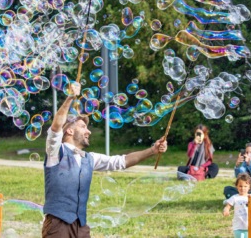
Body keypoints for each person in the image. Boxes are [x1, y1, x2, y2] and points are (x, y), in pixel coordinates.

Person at [42, 82, 168, 238]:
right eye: (83, 127)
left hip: (81, 225)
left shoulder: (90, 158)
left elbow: (121, 161)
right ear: (69, 130)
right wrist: (70, 98)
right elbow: (56, 128)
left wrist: (152, 150)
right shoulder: (55, 152)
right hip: (58, 225)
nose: (88, 131)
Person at [223, 173, 251, 238]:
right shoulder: (235, 197)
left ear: (249, 187)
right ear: (236, 186)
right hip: (238, 226)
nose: (242, 188)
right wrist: (226, 210)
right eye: (240, 186)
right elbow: (227, 206)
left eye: (245, 186)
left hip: (249, 226)